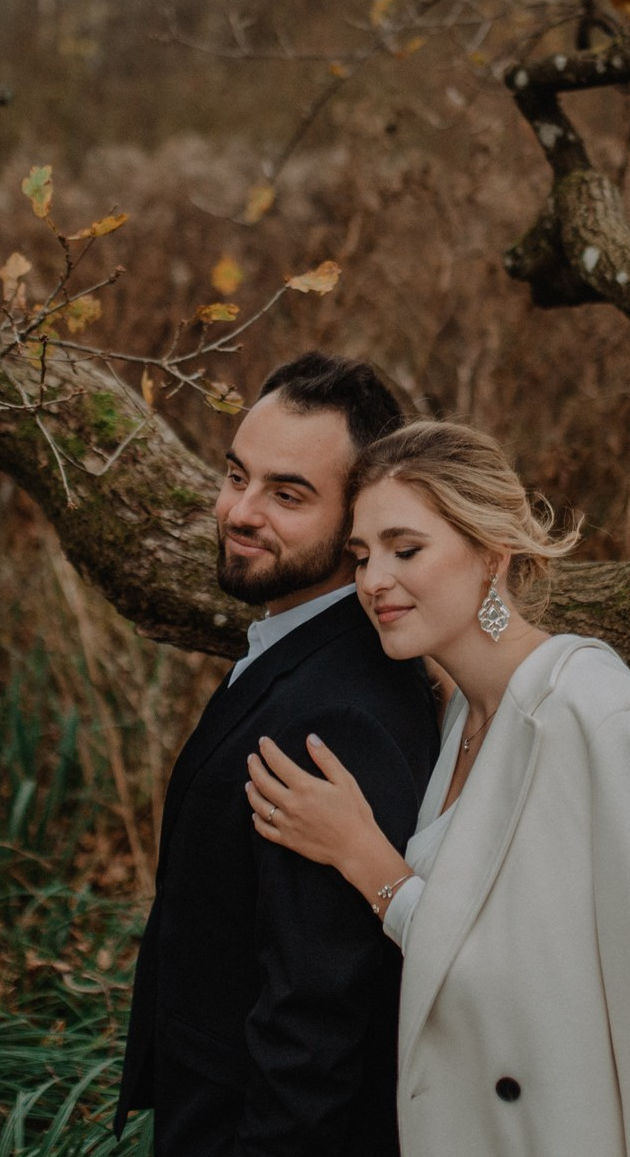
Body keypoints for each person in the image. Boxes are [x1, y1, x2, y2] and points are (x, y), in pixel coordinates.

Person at [243, 421, 630, 1157]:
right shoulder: (462, 720)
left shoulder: (603, 724)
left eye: (405, 548)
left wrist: (374, 868)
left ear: (491, 553)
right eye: (361, 555)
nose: (374, 579)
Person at [116, 353, 443, 1157]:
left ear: (360, 520)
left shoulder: (337, 714)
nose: (238, 511)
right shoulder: (296, 640)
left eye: (287, 494)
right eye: (236, 475)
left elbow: (316, 1017)